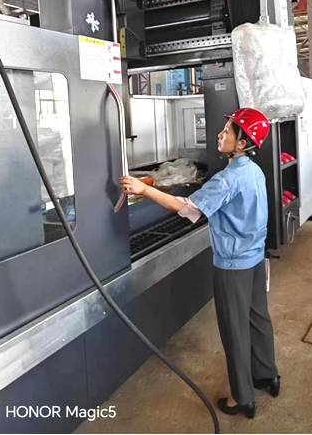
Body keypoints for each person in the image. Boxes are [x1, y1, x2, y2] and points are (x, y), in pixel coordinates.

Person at [120, 108, 280, 419]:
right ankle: (267, 375)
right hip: (254, 259)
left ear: (242, 143)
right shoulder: (254, 171)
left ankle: (242, 398)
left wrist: (144, 189)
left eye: (228, 130)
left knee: (235, 330)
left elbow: (187, 209)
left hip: (233, 266)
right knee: (258, 318)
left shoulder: (227, 179)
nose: (221, 134)